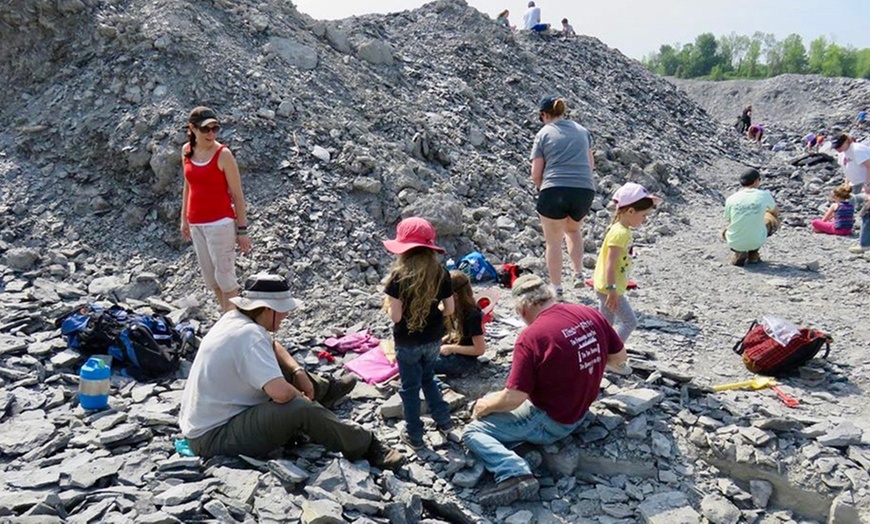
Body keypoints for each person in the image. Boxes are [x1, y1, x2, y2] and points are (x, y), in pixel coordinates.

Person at [178, 274, 403, 469]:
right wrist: (306, 403)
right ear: (267, 309)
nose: (285, 316)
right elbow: (282, 395)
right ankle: (367, 446)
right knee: (297, 407)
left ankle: (325, 390)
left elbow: (271, 346)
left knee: (283, 373)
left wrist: (298, 372)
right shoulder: (248, 337)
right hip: (213, 436)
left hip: (205, 423)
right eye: (282, 311)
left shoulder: (235, 318)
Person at [461, 274, 626, 507]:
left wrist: (485, 406)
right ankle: (524, 449)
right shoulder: (589, 314)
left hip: (552, 419)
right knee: (494, 401)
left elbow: (514, 398)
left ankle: (515, 473)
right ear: (549, 295)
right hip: (580, 409)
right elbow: (619, 359)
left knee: (474, 430)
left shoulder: (532, 336)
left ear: (522, 309)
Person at [383, 217, 455, 449]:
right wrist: (431, 311)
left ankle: (414, 435)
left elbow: (396, 317)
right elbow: (450, 309)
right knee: (428, 378)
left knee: (410, 388)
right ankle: (444, 422)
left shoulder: (398, 277)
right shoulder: (441, 272)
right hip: (433, 339)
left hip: (407, 342)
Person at [180, 106, 252, 312]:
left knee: (226, 278)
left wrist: (242, 230)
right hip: (196, 223)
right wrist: (184, 218)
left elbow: (237, 195)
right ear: (193, 129)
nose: (211, 134)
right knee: (211, 279)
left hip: (221, 223)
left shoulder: (223, 154)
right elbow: (188, 185)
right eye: (206, 129)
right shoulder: (186, 150)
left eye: (215, 129)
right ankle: (227, 318)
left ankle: (235, 325)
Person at [529, 94, 596, 298]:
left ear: (545, 115)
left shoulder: (544, 133)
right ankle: (578, 273)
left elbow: (536, 173)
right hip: (584, 189)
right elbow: (590, 164)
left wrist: (543, 188)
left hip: (554, 188)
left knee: (553, 241)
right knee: (574, 231)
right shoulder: (583, 132)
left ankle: (557, 288)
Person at [593, 183, 661, 354]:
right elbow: (610, 264)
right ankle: (611, 354)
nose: (644, 220)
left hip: (607, 286)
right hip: (610, 287)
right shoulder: (621, 233)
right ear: (630, 211)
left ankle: (599, 352)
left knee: (606, 324)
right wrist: (612, 290)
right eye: (643, 215)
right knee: (630, 322)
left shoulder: (621, 229)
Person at [723, 168, 780, 266]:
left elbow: (728, 219)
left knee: (726, 229)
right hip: (756, 240)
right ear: (757, 181)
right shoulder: (764, 195)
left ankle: (739, 252)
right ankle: (753, 253)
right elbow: (776, 211)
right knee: (770, 216)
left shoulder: (731, 198)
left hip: (734, 241)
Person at [435, 271, 486, 377]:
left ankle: (441, 388)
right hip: (454, 349)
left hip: (464, 359)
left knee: (423, 364)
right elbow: (455, 332)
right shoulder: (452, 310)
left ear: (455, 296)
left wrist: (451, 348)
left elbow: (480, 349)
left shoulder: (472, 315)